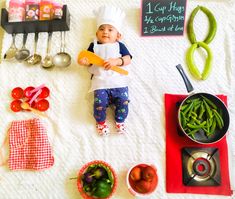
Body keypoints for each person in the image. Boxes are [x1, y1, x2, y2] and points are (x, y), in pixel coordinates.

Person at [78, 5, 132, 136]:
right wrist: (84, 61)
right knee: (99, 104)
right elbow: (88, 59)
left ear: (118, 35)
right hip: (100, 84)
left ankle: (120, 120)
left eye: (110, 29)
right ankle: (101, 122)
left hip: (119, 83)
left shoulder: (119, 45)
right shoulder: (94, 46)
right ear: (96, 34)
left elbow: (128, 59)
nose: (105, 32)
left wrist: (116, 61)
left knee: (123, 102)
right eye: (101, 29)